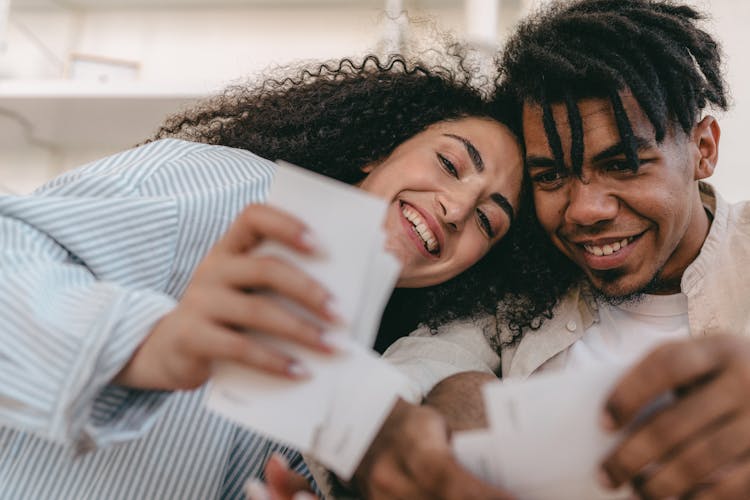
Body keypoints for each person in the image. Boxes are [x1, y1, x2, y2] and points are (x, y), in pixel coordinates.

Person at [0, 52, 556, 499]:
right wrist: (150, 342)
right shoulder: (234, 187)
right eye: (451, 164)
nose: (457, 209)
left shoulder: (373, 359)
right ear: (374, 150)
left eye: (487, 220)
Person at [299, 1, 750, 499]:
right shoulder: (524, 290)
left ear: (703, 149)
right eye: (551, 175)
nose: (584, 210)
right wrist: (395, 432)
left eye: (623, 164)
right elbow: (421, 365)